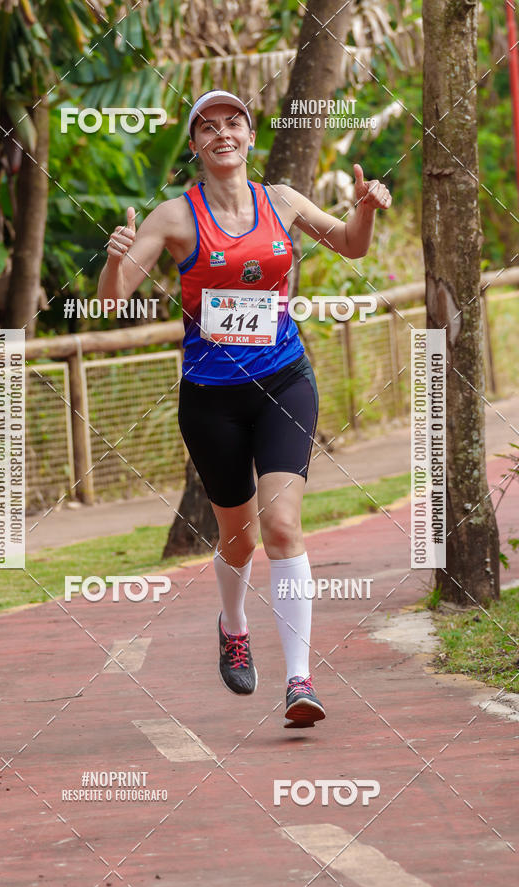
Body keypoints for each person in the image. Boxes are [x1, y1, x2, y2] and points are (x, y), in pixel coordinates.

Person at [98, 89, 391, 727]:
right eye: (208, 127)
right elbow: (115, 297)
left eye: (234, 123)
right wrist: (116, 259)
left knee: (284, 528)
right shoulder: (174, 218)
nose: (222, 134)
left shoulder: (280, 200)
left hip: (284, 382)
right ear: (196, 145)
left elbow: (352, 245)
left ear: (250, 136)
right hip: (211, 401)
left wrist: (366, 209)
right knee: (241, 537)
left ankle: (299, 681)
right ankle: (233, 623)